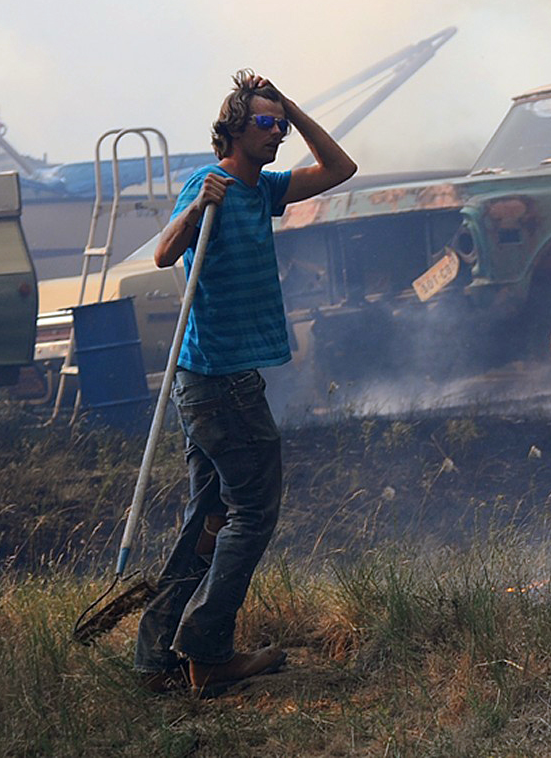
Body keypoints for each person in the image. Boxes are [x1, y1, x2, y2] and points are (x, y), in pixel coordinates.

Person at [134, 70, 357, 697]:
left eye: (280, 123)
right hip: (217, 384)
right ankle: (207, 651)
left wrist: (293, 105)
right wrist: (198, 206)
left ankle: (157, 656)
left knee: (207, 513)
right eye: (267, 123)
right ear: (233, 128)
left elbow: (340, 168)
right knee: (253, 511)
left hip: (219, 381)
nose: (279, 133)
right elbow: (163, 254)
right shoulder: (213, 187)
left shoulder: (266, 191)